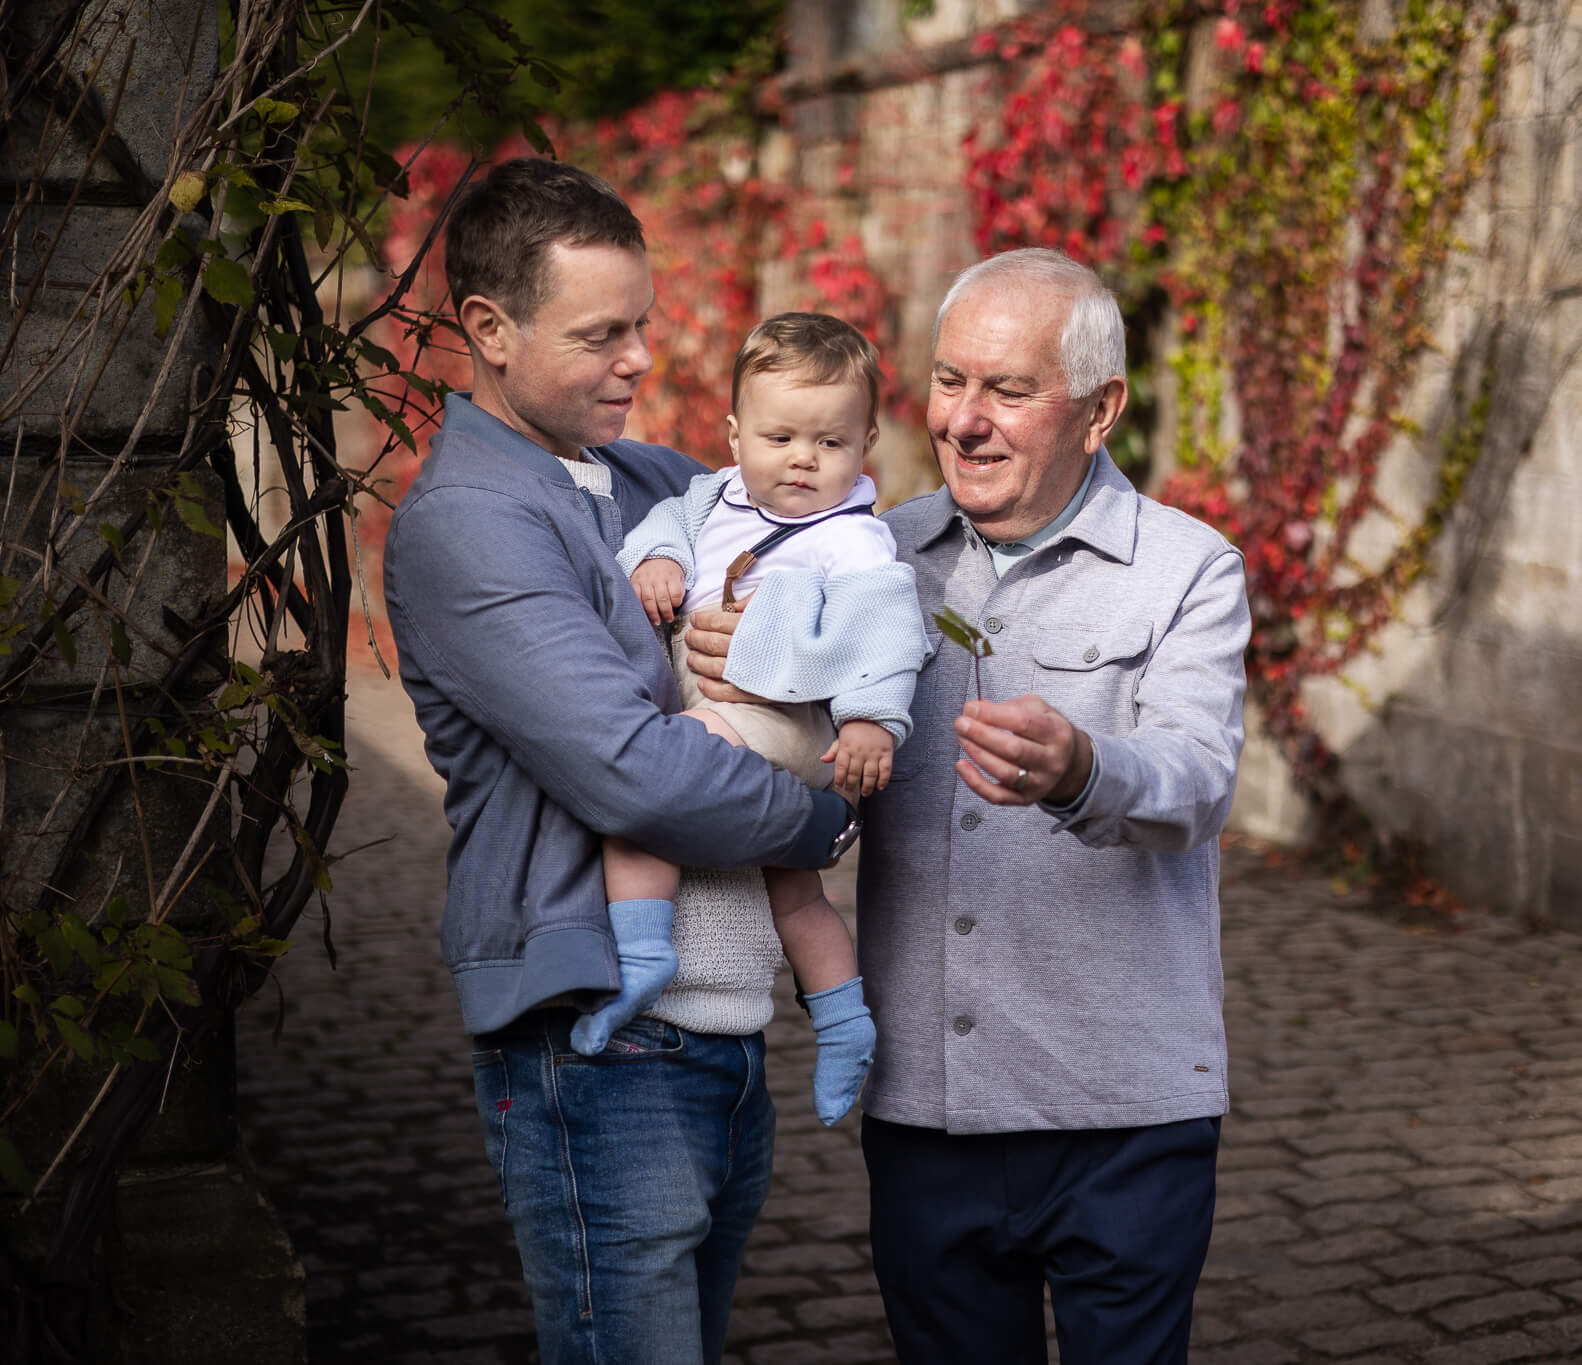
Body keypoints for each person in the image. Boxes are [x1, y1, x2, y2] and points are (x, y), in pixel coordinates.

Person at [691, 247, 1249, 1363]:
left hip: (1124, 1107)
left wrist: (1084, 768)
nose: (963, 420)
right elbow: (803, 778)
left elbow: (1197, 779)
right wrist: (748, 680)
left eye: (1008, 389)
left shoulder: (1187, 568)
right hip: (927, 1111)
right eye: (949, 381)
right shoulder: (868, 555)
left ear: (1100, 410)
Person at [381, 158, 861, 1365]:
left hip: (723, 1023)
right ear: (489, 329)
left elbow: (843, 543)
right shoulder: (469, 523)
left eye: (641, 324)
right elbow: (634, 774)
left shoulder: (658, 480)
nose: (641, 360)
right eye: (600, 335)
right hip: (594, 1040)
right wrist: (822, 820)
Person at [601, 311, 929, 1125]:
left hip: (790, 721)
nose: (802, 459)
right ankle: (845, 1023)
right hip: (721, 703)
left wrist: (870, 722)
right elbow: (666, 522)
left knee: (657, 773)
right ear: (736, 433)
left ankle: (640, 955)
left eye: (830, 442)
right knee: (797, 894)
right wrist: (659, 558)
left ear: (866, 443)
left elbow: (887, 634)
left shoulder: (849, 538)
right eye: (779, 437)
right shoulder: (712, 497)